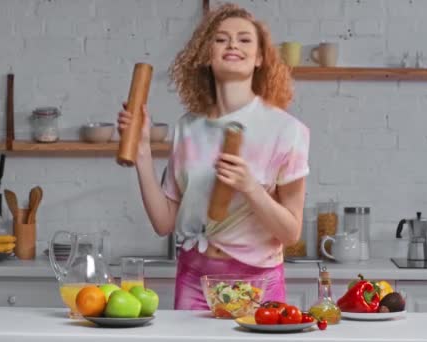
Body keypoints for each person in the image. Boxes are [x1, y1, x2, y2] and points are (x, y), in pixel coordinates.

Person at [117, 3, 310, 310]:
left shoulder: (287, 131)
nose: (232, 44)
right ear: (207, 55)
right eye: (221, 39)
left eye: (245, 39)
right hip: (196, 279)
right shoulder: (188, 128)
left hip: (259, 286)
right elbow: (164, 222)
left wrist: (250, 187)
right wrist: (142, 153)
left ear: (260, 58)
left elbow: (290, 232)